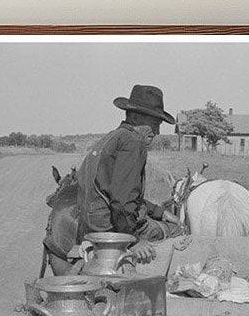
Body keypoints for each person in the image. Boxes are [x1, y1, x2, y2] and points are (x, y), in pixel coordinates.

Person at [76, 84, 178, 263]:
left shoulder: (113, 137)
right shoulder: (132, 142)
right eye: (155, 124)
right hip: (110, 228)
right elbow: (122, 203)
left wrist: (159, 211)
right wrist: (132, 240)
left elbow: (118, 191)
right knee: (178, 231)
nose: (157, 132)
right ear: (136, 117)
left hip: (93, 222)